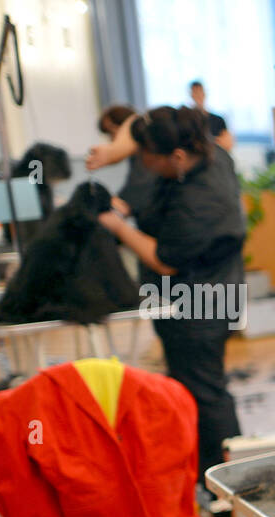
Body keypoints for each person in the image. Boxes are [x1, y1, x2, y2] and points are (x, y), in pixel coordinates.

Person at [88, 106, 246, 482]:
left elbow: (163, 260)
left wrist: (116, 225)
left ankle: (229, 481)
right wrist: (113, 152)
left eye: (146, 156)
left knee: (206, 392)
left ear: (174, 157)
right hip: (188, 297)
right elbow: (138, 119)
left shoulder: (200, 202)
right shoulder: (207, 152)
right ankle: (203, 472)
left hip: (200, 305)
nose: (141, 160)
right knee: (187, 386)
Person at [97, 104, 157, 220]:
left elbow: (136, 192)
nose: (111, 140)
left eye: (112, 132)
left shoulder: (146, 155)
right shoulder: (136, 157)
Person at [189, 80, 235, 153]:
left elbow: (227, 144)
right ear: (191, 95)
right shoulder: (188, 120)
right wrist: (215, 141)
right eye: (195, 93)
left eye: (200, 92)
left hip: (218, 158)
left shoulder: (218, 120)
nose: (198, 96)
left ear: (204, 94)